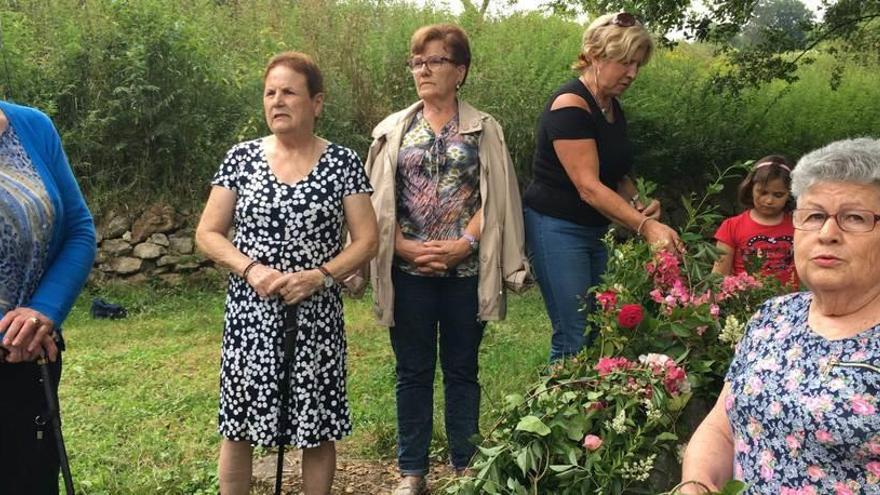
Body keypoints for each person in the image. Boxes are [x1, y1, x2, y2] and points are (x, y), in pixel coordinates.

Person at [195, 51, 378, 495]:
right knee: (237, 423)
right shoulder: (241, 158)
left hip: (315, 315)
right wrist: (250, 268)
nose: (277, 101)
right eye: (270, 92)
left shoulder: (342, 163)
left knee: (316, 425)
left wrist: (320, 275)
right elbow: (208, 232)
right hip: (250, 315)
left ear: (316, 103)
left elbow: (367, 239)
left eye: (289, 92)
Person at [363, 23, 529, 495]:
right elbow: (375, 203)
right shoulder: (393, 130)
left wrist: (465, 245)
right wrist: (402, 247)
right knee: (411, 370)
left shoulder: (484, 128)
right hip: (407, 270)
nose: (423, 70)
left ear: (460, 70)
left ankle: (464, 466)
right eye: (417, 62)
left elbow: (496, 198)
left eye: (434, 60)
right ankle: (411, 470)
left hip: (466, 271)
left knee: (462, 368)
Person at [680, 138, 880, 494]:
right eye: (814, 215)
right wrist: (696, 483)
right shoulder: (771, 317)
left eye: (854, 218)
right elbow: (722, 428)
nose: (827, 233)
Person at [521, 12, 681, 362]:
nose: (632, 73)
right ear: (594, 55)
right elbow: (589, 187)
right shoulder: (570, 106)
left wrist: (639, 203)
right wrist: (645, 226)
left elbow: (616, 174)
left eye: (637, 64)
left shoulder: (611, 107)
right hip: (556, 228)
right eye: (624, 62)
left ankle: (587, 411)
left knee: (598, 326)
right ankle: (550, 414)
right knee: (572, 334)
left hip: (595, 231)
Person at [0, 100, 97, 494]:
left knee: (31, 480)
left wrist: (43, 311)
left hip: (30, 355)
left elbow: (78, 230)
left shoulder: (32, 127)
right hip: (18, 344)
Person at [712, 155, 798, 288]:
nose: (769, 200)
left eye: (778, 195)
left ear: (790, 194)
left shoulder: (799, 226)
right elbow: (719, 275)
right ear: (750, 188)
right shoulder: (732, 226)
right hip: (746, 303)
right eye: (762, 192)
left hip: (790, 303)